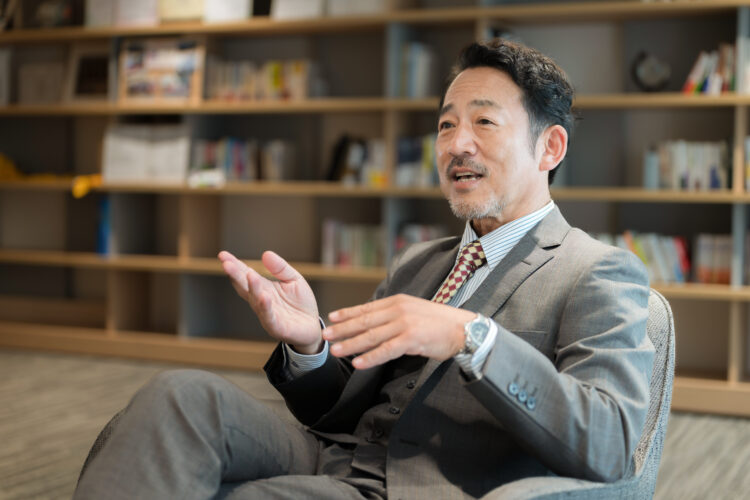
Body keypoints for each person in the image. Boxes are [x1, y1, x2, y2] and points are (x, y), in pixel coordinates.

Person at [74, 39, 654, 500]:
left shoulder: (597, 272)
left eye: (484, 122)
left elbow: (610, 443)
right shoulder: (420, 262)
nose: (457, 144)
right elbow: (340, 407)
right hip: (332, 453)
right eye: (446, 125)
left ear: (550, 148)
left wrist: (472, 337)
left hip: (417, 485)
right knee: (180, 395)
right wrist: (310, 344)